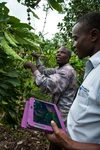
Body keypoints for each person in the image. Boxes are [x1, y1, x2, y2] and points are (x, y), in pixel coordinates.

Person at [47, 12, 100, 150]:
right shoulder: (93, 68)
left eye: (76, 39)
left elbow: (49, 84)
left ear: (93, 35)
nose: (74, 45)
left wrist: (69, 144)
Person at [24, 46, 77, 150]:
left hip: (63, 111)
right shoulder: (59, 69)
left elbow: (46, 84)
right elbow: (43, 71)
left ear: (69, 57)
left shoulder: (67, 71)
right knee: (54, 137)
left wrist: (31, 66)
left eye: (63, 53)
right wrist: (37, 59)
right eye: (58, 52)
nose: (58, 54)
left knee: (56, 138)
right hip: (57, 108)